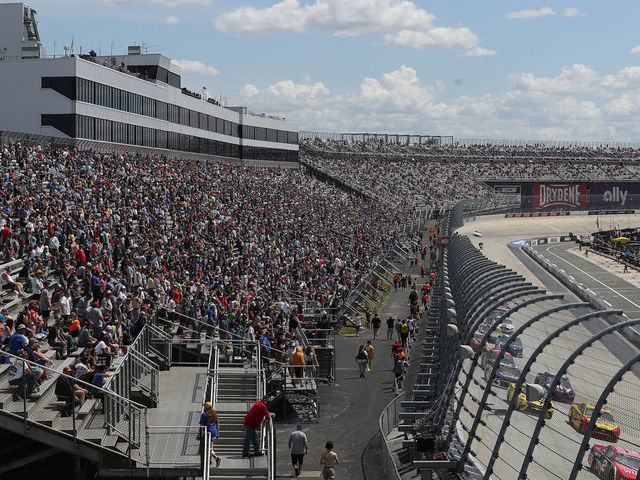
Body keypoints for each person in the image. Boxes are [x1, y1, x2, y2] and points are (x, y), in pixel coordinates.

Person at [199, 402, 221, 467]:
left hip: (207, 433)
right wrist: (218, 433)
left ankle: (216, 458)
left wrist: (199, 435)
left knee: (207, 448)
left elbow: (201, 426)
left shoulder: (204, 415)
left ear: (206, 407)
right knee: (210, 447)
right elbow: (217, 424)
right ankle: (210, 461)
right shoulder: (214, 413)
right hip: (214, 432)